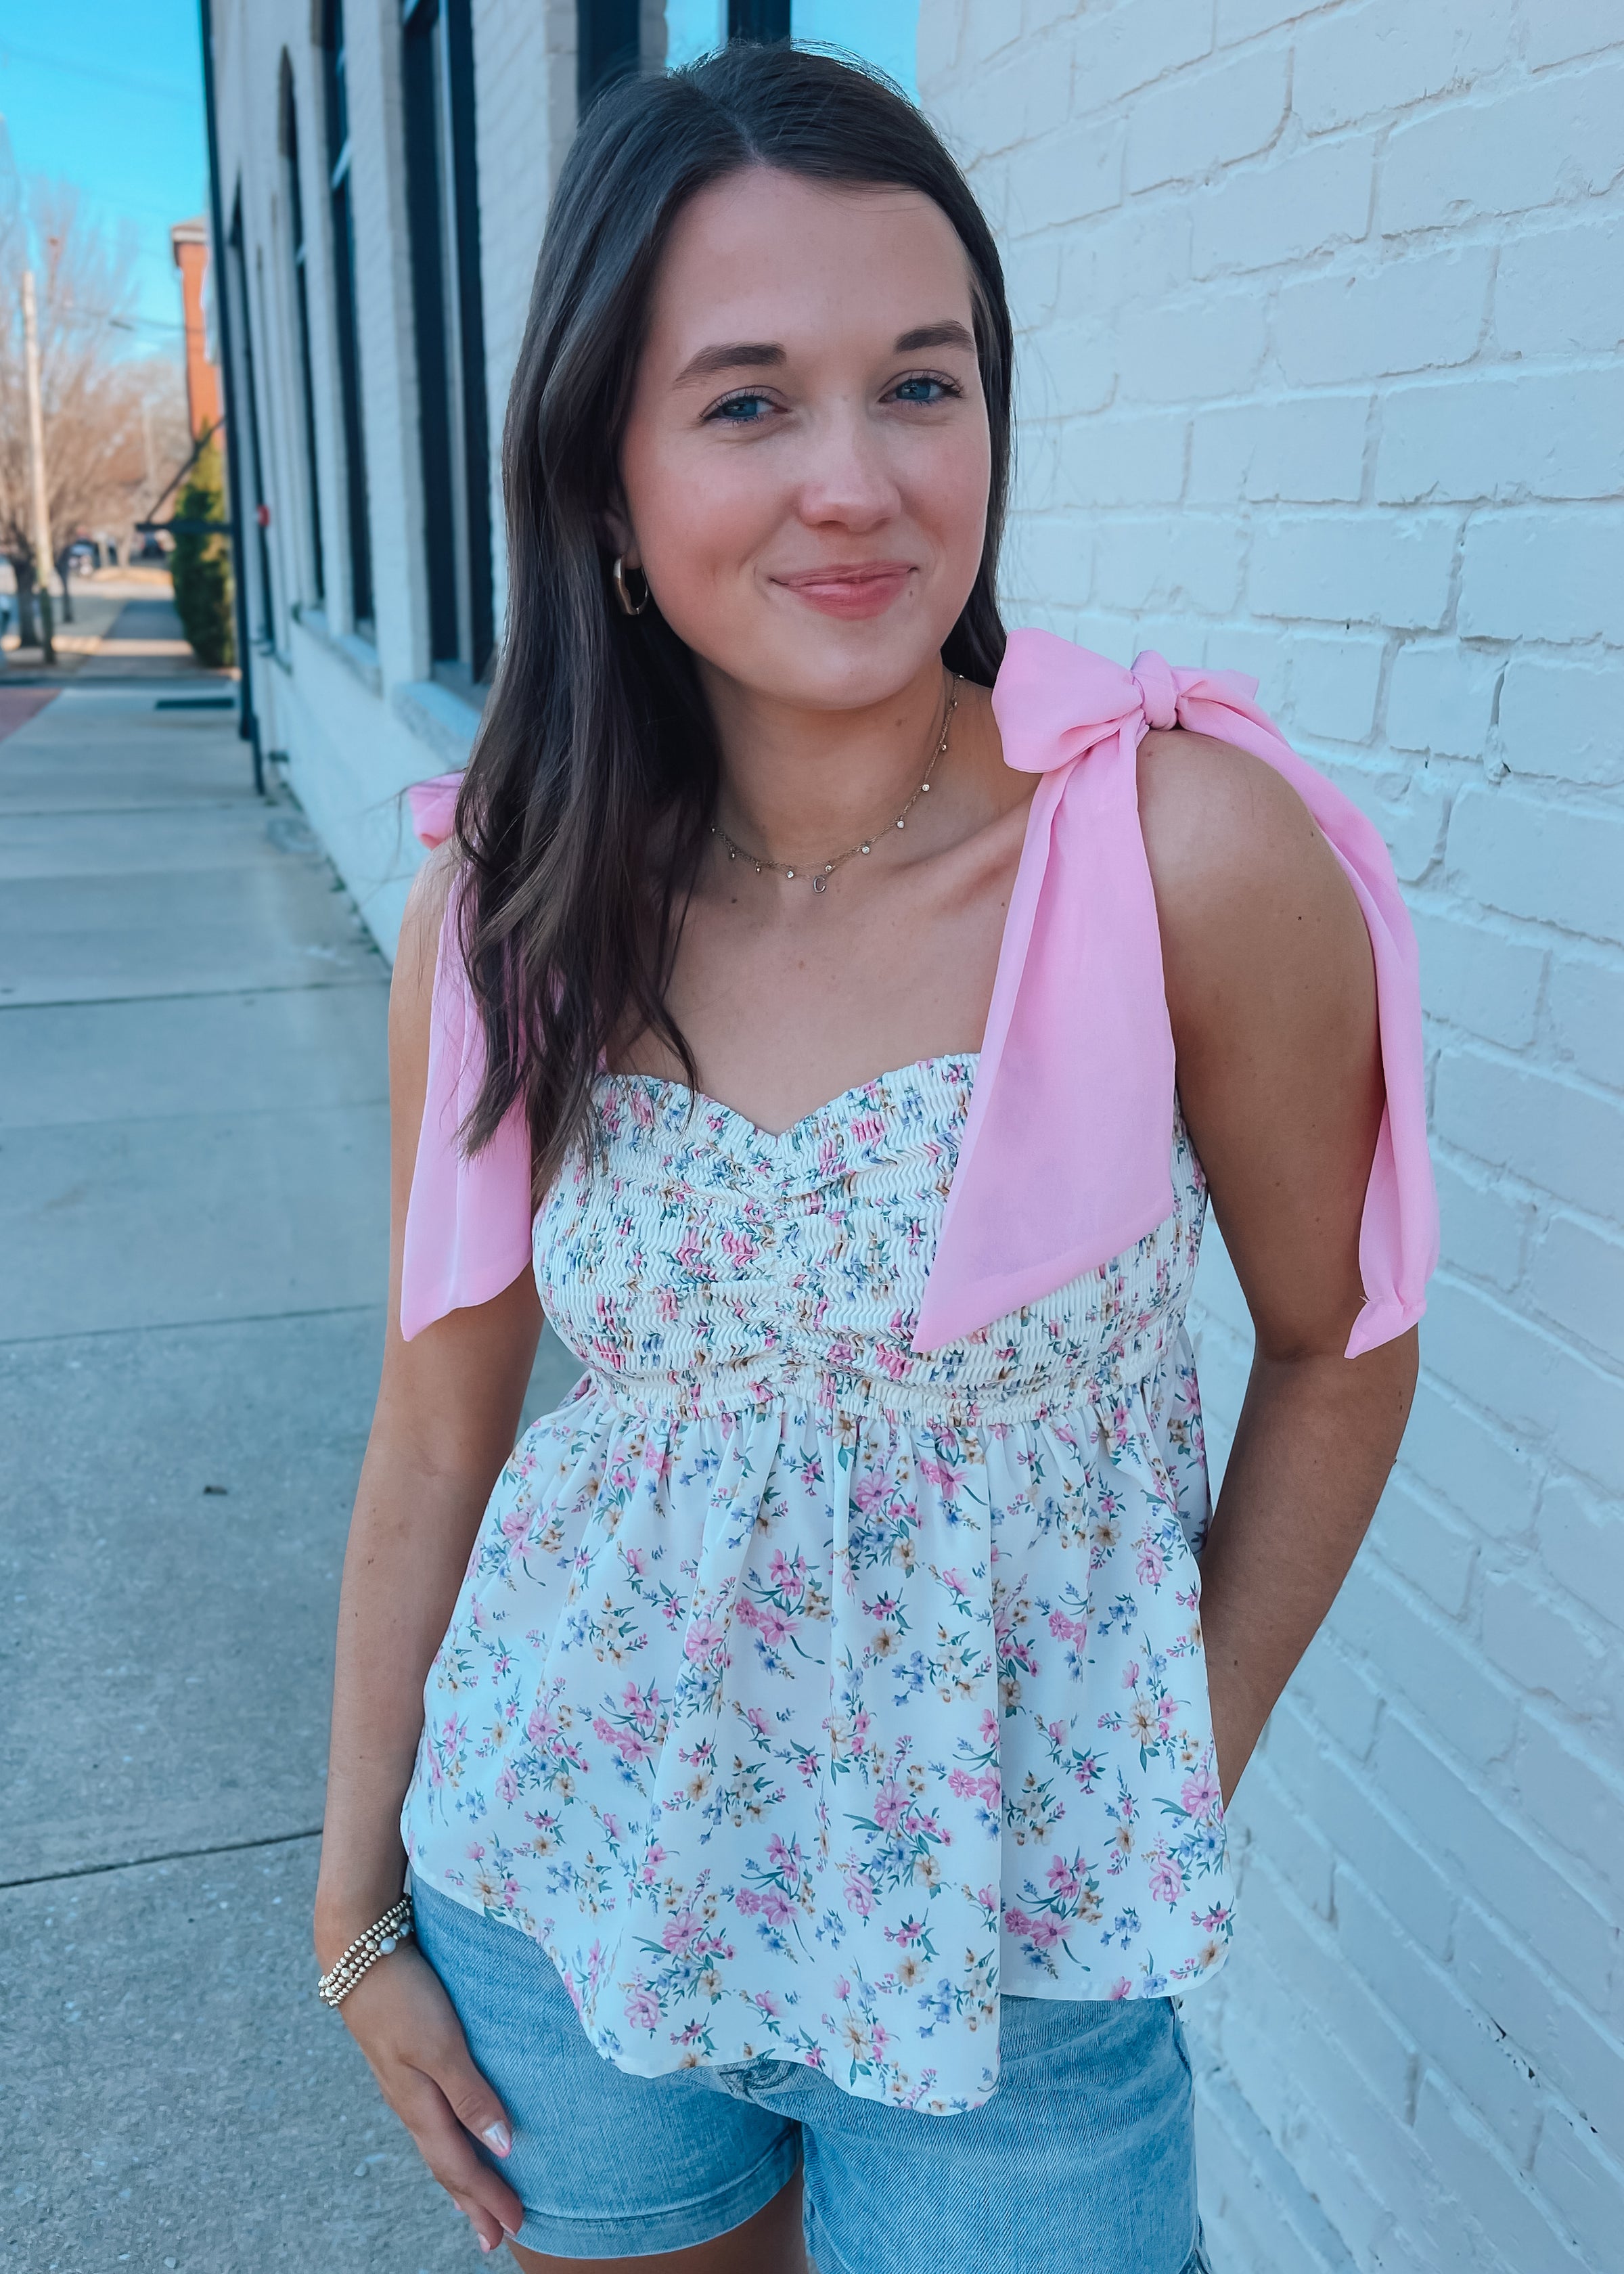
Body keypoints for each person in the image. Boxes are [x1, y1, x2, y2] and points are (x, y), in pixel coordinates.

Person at [312, 43, 1434, 2274]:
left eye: (922, 384)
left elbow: (1342, 1342)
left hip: (1020, 1976)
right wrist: (353, 1909)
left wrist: (1160, 1768)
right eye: (748, 403)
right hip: (574, 1900)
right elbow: (439, 1430)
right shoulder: (509, 904)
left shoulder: (1179, 854)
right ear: (606, 479)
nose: (860, 483)